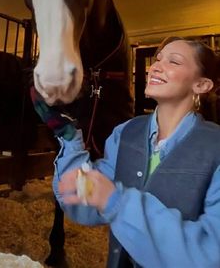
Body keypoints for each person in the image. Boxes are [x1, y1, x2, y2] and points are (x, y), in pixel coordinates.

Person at [31, 36, 220, 268]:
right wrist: (69, 139)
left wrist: (117, 203)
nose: (156, 66)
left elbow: (211, 253)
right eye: (158, 59)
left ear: (201, 85)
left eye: (174, 62)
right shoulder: (126, 133)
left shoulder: (215, 148)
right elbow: (88, 208)